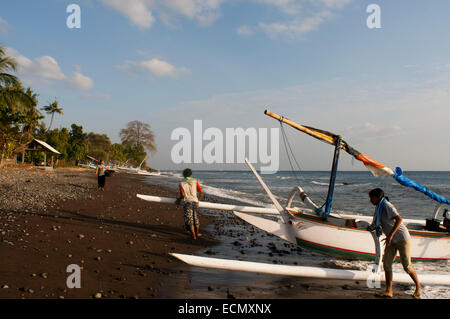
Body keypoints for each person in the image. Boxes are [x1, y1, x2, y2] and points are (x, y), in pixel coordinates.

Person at [368, 188, 422, 299]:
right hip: (391, 240)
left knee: (407, 266)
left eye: (371, 198)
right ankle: (389, 291)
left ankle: (418, 287)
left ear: (377, 197)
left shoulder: (387, 206)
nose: (370, 200)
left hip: (402, 239)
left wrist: (390, 235)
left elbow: (399, 219)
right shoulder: (379, 208)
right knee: (387, 263)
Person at [175, 168, 204, 240]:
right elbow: (201, 192)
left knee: (189, 219)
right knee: (195, 217)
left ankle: (193, 236)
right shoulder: (195, 181)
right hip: (195, 201)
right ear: (191, 174)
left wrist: (178, 200)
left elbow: (182, 195)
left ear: (183, 175)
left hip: (187, 202)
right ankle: (197, 233)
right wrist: (198, 199)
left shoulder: (181, 183)